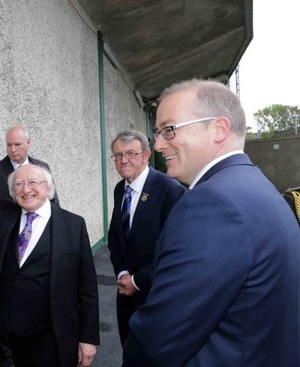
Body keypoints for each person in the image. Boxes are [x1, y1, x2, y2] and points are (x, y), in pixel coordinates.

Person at [123, 79, 300, 367]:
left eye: (169, 129)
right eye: (157, 132)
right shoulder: (256, 185)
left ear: (219, 129)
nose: (157, 144)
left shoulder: (213, 203)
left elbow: (160, 337)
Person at [0, 116, 99, 367]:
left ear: (48, 188)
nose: (25, 188)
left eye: (33, 182)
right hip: (9, 337)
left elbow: (87, 287)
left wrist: (87, 338)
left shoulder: (73, 225)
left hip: (51, 335)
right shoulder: (3, 214)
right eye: (18, 184)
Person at [0, 125, 59, 366]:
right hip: (2, 254)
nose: (12, 149)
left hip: (37, 254)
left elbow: (55, 207)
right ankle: (4, 356)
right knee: (1, 305)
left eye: (17, 144)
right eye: (8, 145)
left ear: (29, 143)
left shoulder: (43, 169)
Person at [107, 130, 185, 350]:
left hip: (157, 295)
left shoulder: (170, 190)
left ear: (146, 155)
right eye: (118, 155)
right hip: (125, 295)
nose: (124, 160)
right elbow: (115, 236)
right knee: (129, 351)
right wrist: (122, 274)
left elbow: (175, 250)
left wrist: (137, 281)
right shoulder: (119, 189)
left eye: (131, 153)